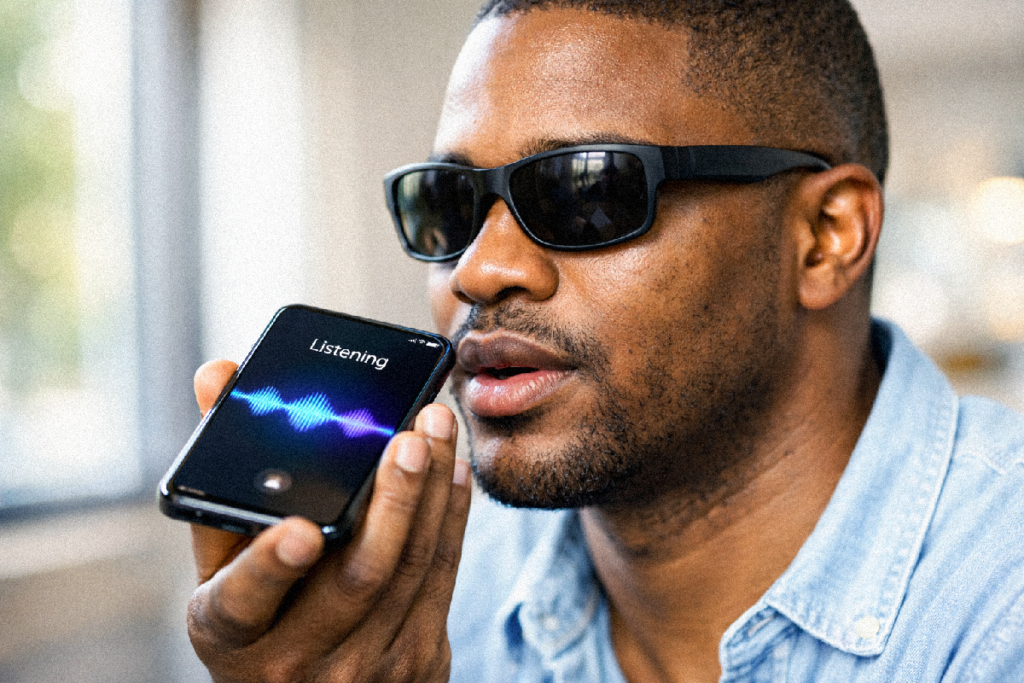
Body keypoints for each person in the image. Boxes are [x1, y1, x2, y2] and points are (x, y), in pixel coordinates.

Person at [183, 1, 1024, 681]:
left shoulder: (999, 604)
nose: (478, 271)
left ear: (824, 235)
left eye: (585, 190)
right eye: (447, 202)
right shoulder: (420, 593)